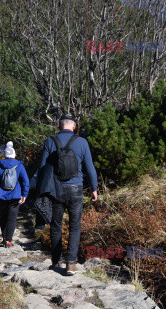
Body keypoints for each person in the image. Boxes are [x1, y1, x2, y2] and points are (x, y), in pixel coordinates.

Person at [37, 114, 98, 275]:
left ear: (58, 125)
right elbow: (90, 167)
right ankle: (71, 264)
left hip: (56, 190)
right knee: (75, 226)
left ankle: (56, 262)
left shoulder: (50, 141)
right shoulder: (82, 142)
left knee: (56, 226)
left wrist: (38, 190)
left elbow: (43, 168)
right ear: (74, 126)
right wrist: (94, 188)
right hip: (76, 189)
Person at [0, 141, 30, 248]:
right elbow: (25, 181)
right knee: (12, 218)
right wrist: (24, 194)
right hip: (15, 195)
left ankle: (4, 237)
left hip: (1, 195)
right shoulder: (19, 165)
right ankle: (8, 241)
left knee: (3, 216)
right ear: (14, 155)